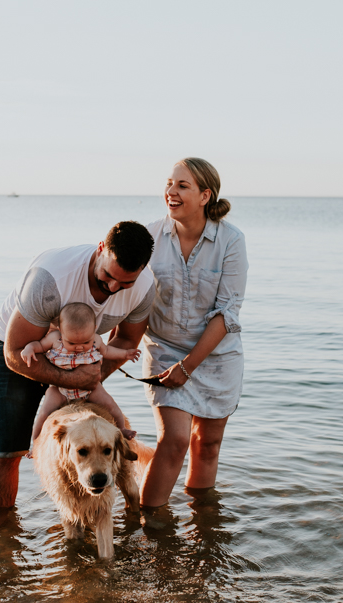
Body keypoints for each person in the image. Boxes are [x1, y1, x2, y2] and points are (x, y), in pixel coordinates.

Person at [0, 221, 155, 509]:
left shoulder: (144, 287)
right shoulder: (51, 278)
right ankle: (1, 534)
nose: (113, 287)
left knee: (89, 437)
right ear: (100, 249)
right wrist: (74, 381)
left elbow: (127, 340)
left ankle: (91, 514)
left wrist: (91, 376)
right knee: (8, 449)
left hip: (80, 354)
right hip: (26, 351)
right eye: (108, 276)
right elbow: (14, 353)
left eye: (125, 283)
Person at [139, 158, 248, 507]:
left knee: (208, 445)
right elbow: (128, 297)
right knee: (174, 440)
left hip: (216, 357)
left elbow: (227, 314)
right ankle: (149, 524)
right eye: (169, 183)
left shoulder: (231, 241)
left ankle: (203, 529)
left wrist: (189, 366)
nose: (171, 191)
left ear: (205, 195)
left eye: (182, 186)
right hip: (164, 350)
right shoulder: (150, 237)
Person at [21, 302, 140, 444]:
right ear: (60, 331)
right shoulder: (55, 339)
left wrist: (125, 353)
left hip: (90, 388)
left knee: (111, 405)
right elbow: (39, 346)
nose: (79, 347)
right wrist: (29, 348)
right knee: (44, 414)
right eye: (71, 343)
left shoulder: (96, 340)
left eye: (85, 342)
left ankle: (121, 428)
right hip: (60, 389)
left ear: (94, 330)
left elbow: (107, 351)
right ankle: (36, 443)